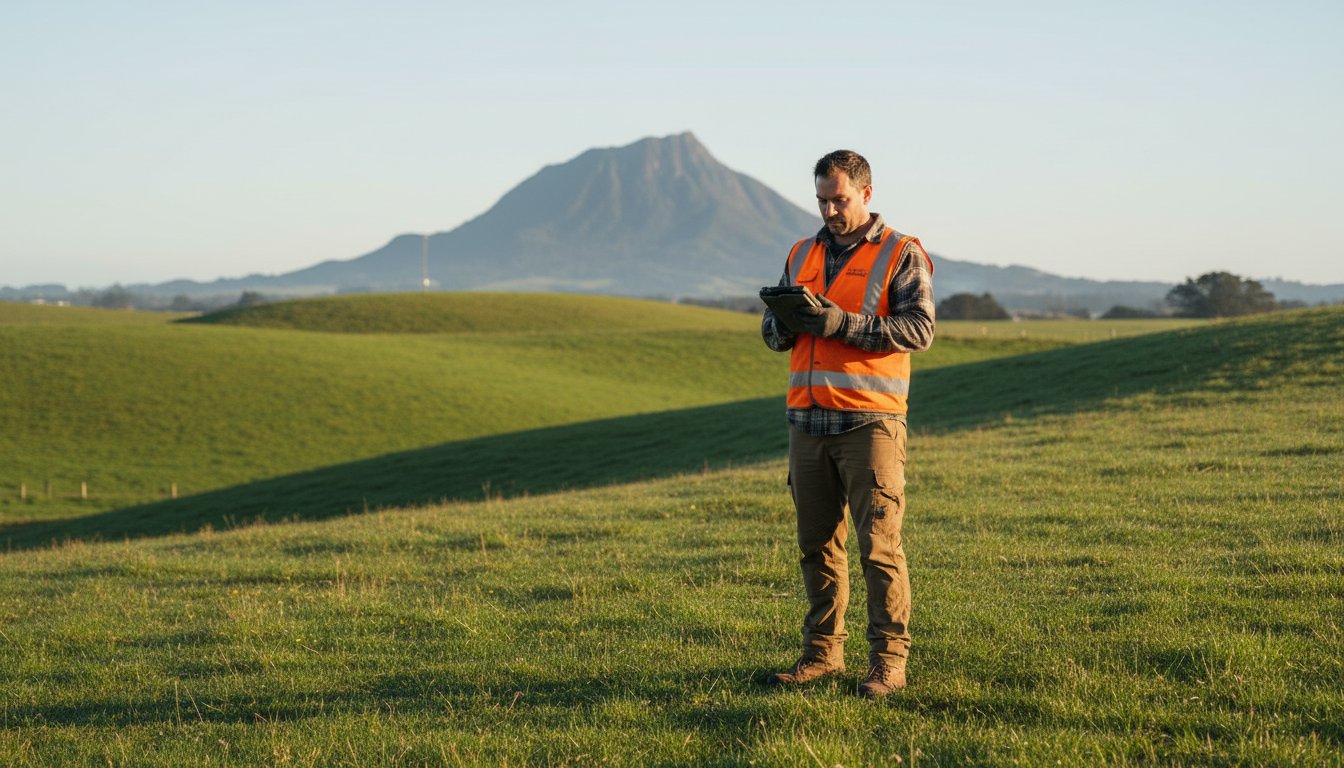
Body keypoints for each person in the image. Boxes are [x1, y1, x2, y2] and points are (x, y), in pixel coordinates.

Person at [761, 149, 934, 697]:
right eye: (822, 200)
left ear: (867, 193)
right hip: (806, 423)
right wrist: (787, 323)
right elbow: (769, 334)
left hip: (869, 424)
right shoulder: (800, 251)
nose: (830, 210)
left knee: (879, 548)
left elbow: (918, 330)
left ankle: (888, 662)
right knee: (817, 547)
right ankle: (821, 655)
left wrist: (838, 323)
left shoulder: (901, 253)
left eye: (840, 199)